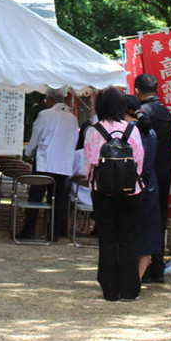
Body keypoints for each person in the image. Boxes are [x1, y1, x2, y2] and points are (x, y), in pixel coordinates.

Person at [84, 86, 145, 302]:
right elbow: (139, 162)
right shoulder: (132, 130)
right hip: (131, 192)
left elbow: (89, 164)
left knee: (107, 239)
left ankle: (109, 289)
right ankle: (129, 289)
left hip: (103, 191)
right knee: (128, 239)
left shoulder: (93, 131)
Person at [20, 89, 78, 241]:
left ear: (51, 100)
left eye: (46, 99)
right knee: (58, 199)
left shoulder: (45, 115)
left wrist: (29, 152)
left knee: (36, 196)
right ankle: (54, 232)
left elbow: (36, 136)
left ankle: (29, 230)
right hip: (63, 164)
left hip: (44, 162)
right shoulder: (72, 118)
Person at [134, 73, 171, 283]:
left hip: (147, 174)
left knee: (144, 221)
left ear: (137, 91)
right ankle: (158, 266)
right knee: (160, 220)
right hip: (164, 172)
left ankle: (145, 268)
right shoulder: (166, 112)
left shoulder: (142, 114)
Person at [127, 95, 162, 282]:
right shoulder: (151, 132)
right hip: (150, 187)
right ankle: (137, 280)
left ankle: (126, 278)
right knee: (147, 237)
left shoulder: (128, 132)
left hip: (131, 188)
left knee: (127, 235)